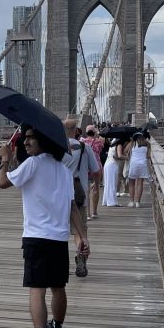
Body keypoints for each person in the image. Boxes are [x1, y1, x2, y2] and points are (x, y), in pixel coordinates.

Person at [0, 126, 88, 328]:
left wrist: (4, 160)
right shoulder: (64, 171)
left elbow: (2, 182)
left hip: (36, 237)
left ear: (43, 141)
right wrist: (82, 236)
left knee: (37, 289)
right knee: (58, 287)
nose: (25, 142)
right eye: (24, 138)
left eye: (31, 138)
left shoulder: (33, 164)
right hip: (59, 238)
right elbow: (73, 207)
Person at [63, 117, 100, 278]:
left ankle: (59, 263)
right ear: (77, 130)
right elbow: (96, 171)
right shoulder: (85, 148)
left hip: (58, 197)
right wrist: (96, 185)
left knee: (59, 232)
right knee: (80, 231)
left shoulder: (56, 147)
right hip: (79, 195)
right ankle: (80, 256)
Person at [82, 125, 106, 220]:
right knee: (96, 188)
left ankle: (87, 214)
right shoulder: (98, 142)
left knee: (86, 190)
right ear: (94, 132)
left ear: (86, 132)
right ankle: (94, 212)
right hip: (96, 167)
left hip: (86, 167)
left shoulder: (82, 142)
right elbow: (101, 149)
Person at [126, 132, 152, 207]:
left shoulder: (132, 143)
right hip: (143, 164)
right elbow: (148, 156)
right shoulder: (147, 144)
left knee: (131, 183)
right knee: (140, 183)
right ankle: (138, 202)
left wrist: (129, 153)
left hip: (134, 164)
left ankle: (132, 202)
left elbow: (125, 151)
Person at [102, 137, 121, 207]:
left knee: (107, 184)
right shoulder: (119, 145)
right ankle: (112, 202)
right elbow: (118, 156)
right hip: (112, 164)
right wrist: (127, 157)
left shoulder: (112, 145)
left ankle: (106, 201)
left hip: (107, 164)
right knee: (112, 184)